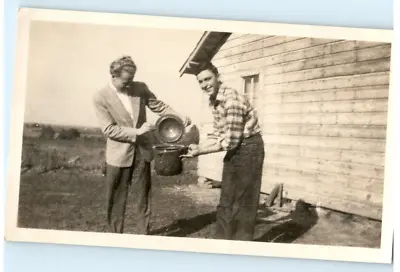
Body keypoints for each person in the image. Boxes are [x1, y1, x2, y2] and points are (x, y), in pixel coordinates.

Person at [93, 55, 191, 234]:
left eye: (132, 80)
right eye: (125, 81)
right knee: (116, 199)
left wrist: (178, 116)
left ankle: (143, 235)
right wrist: (137, 132)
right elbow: (108, 129)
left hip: (142, 153)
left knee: (142, 198)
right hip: (118, 156)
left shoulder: (140, 88)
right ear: (113, 76)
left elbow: (159, 106)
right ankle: (115, 237)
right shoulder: (100, 97)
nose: (130, 85)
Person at [182, 62, 264, 241]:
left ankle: (242, 250)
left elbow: (229, 141)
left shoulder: (231, 100)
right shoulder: (215, 101)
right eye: (201, 82)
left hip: (250, 148)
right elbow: (220, 135)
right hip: (236, 147)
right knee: (226, 202)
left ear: (218, 77)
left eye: (208, 79)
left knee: (245, 205)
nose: (205, 85)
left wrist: (200, 152)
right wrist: (199, 148)